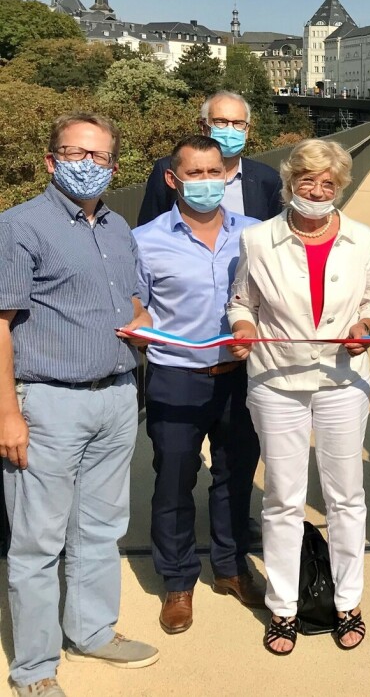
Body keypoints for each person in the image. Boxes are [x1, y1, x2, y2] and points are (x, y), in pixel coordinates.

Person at [0, 112, 160, 696]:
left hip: (117, 396)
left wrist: (142, 322)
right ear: (51, 161)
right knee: (37, 540)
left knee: (100, 527)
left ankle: (92, 629)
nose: (88, 166)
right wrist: (6, 413)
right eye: (75, 153)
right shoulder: (19, 227)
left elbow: (135, 299)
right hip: (47, 403)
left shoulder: (118, 227)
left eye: (99, 157)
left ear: (114, 165)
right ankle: (35, 670)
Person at [228, 138, 370, 655]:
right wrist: (243, 328)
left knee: (345, 496)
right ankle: (283, 606)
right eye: (307, 180)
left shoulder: (363, 239)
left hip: (343, 378)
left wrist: (366, 324)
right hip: (277, 380)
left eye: (328, 183)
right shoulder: (257, 241)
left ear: (339, 187)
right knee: (283, 497)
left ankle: (348, 600)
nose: (317, 191)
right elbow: (241, 302)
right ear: (289, 183)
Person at [133, 135, 263, 635]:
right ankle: (178, 580)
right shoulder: (143, 240)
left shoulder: (254, 234)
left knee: (234, 478)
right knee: (173, 483)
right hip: (175, 378)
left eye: (216, 174)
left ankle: (231, 568)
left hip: (239, 379)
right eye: (196, 174)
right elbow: (136, 305)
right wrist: (138, 325)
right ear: (173, 179)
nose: (208, 183)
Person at [137, 91, 283, 225]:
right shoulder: (168, 170)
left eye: (238, 123)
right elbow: (149, 228)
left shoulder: (268, 180)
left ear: (247, 130)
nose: (229, 130)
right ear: (203, 126)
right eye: (221, 122)